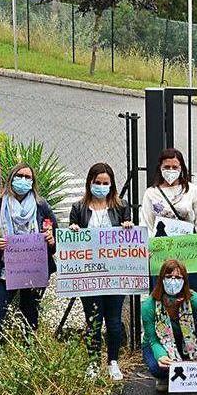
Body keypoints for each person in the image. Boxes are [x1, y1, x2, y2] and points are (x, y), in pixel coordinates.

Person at [68, 163, 134, 381]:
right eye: (97, 182)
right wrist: (74, 231)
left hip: (115, 274)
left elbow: (129, 240)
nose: (101, 186)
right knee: (93, 320)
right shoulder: (78, 208)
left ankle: (113, 361)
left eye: (106, 183)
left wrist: (128, 228)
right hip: (90, 274)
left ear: (111, 185)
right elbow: (72, 243)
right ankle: (93, 362)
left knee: (114, 321)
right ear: (90, 182)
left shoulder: (121, 206)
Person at [0, 163, 57, 335]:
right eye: (19, 176)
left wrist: (50, 240)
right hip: (4, 270)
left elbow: (55, 239)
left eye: (28, 177)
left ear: (33, 182)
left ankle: (29, 351)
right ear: (11, 179)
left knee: (30, 314)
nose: (23, 180)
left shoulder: (41, 206)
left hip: (34, 269)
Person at [141, 259, 197, 395]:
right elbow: (153, 339)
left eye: (178, 277)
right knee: (157, 368)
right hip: (161, 344)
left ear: (185, 281)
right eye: (168, 277)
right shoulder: (148, 306)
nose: (173, 281)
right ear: (161, 279)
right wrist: (161, 356)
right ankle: (164, 376)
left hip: (187, 342)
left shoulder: (193, 298)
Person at [139, 148, 197, 291]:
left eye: (174, 167)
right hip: (161, 251)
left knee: (189, 294)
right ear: (160, 168)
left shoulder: (192, 190)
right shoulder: (151, 193)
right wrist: (147, 248)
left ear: (181, 168)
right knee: (161, 293)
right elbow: (146, 224)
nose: (170, 170)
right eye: (167, 167)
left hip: (189, 250)